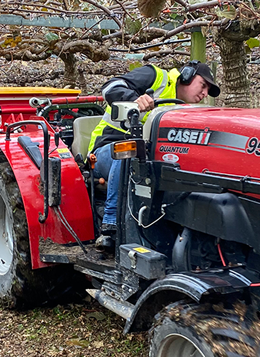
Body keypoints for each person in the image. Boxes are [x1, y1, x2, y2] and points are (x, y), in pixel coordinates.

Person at [88, 61, 220, 249]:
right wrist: (134, 100)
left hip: (145, 156)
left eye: (208, 90)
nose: (205, 93)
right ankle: (110, 225)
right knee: (131, 150)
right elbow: (110, 87)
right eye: (203, 85)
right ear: (188, 75)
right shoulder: (156, 77)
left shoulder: (185, 112)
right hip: (106, 150)